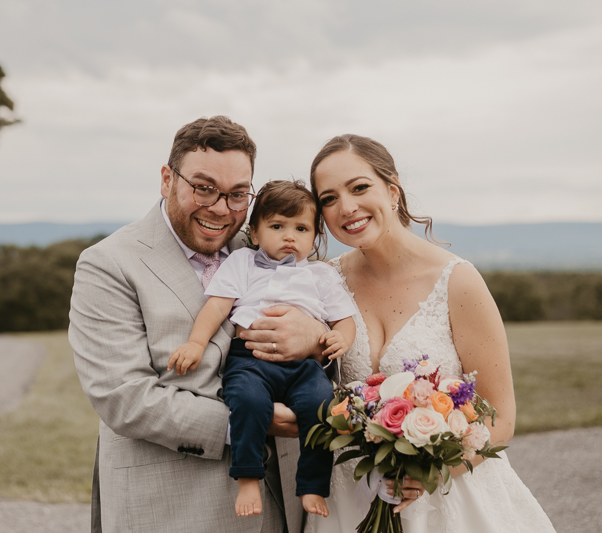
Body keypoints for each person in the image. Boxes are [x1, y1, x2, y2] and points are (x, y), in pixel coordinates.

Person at [69, 116, 331, 533]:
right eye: (204, 188)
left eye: (237, 194)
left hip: (285, 505)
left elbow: (321, 314)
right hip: (173, 509)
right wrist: (251, 421)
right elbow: (123, 397)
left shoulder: (264, 242)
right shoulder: (108, 263)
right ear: (166, 180)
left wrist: (313, 341)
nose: (221, 208)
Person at [300, 134, 557, 532]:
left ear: (392, 189)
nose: (346, 207)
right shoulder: (322, 283)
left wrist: (430, 474)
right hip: (349, 499)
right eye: (329, 198)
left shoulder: (457, 281)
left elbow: (501, 417)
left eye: (359, 187)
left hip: (449, 500)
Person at [168, 180, 357, 520]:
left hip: (304, 366)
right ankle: (248, 475)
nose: (289, 236)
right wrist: (196, 343)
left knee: (320, 406)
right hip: (250, 359)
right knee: (247, 401)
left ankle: (312, 483)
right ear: (254, 233)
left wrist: (341, 337)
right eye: (277, 226)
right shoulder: (243, 262)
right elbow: (217, 307)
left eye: (301, 228)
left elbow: (345, 319)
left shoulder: (321, 275)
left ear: (314, 238)